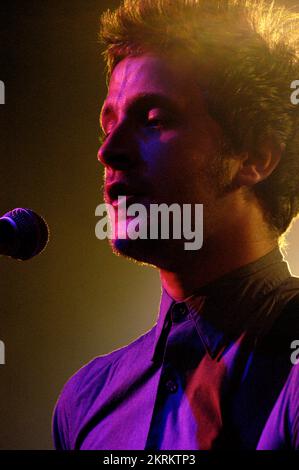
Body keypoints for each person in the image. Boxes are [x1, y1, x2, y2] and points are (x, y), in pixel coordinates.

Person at [52, 0, 299, 450]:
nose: (108, 153)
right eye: (108, 125)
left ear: (256, 158)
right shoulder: (85, 399)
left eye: (154, 121)